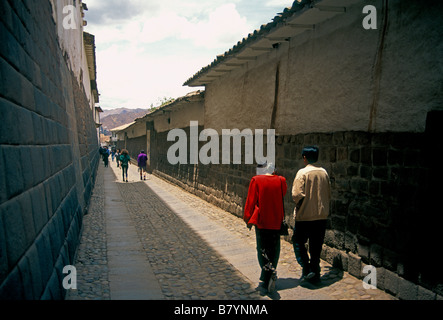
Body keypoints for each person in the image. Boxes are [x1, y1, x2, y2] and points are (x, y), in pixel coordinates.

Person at [244, 162, 287, 293]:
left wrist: (247, 217)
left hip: (262, 221)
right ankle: (269, 272)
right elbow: (283, 194)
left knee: (262, 248)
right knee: (274, 248)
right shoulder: (281, 180)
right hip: (276, 220)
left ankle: (267, 274)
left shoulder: (256, 180)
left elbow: (251, 200)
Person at [291, 146, 331, 284]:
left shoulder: (303, 173)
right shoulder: (324, 172)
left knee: (298, 241)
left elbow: (296, 195)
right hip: (321, 216)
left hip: (305, 216)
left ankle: (307, 268)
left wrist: (300, 205)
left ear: (305, 158)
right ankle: (315, 272)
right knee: (316, 246)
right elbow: (328, 192)